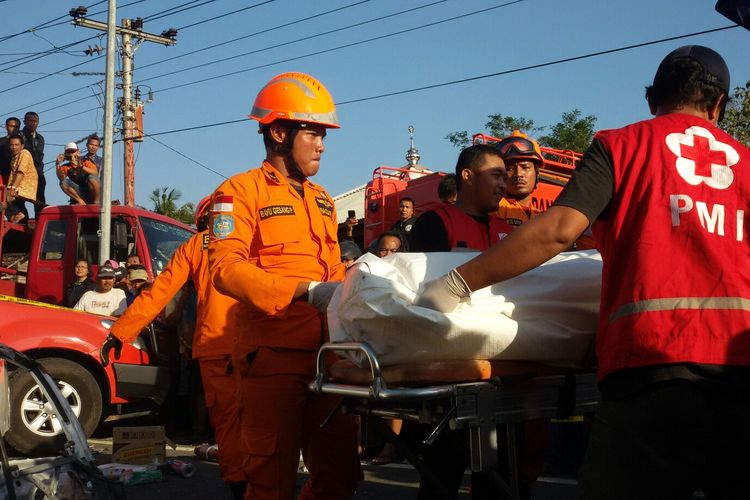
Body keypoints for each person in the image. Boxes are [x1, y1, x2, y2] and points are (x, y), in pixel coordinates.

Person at [417, 45, 750, 499]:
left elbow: (558, 230)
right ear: (718, 106)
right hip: (741, 373)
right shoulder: (745, 163)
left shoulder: (622, 146)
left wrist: (458, 283)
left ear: (652, 101)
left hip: (652, 371)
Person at [207, 72, 363, 499]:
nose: (322, 144)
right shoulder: (238, 192)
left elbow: (333, 272)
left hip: (328, 361)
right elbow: (225, 268)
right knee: (270, 481)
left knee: (340, 477)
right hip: (271, 359)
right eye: (313, 132)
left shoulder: (324, 199)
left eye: (323, 135)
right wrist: (304, 292)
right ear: (279, 131)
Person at [102, 196, 248, 498]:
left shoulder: (195, 247)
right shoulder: (252, 240)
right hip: (257, 344)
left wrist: (122, 331)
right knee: (265, 423)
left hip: (216, 347)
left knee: (229, 427)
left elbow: (159, 292)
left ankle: (242, 487)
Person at [409, 144, 511, 253]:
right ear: (468, 176)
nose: (503, 185)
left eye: (504, 179)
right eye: (496, 175)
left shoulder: (505, 229)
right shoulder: (434, 223)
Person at [492, 131, 544, 226]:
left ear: (537, 173)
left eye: (525, 167)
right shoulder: (493, 209)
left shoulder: (542, 218)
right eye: (510, 169)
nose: (519, 174)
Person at [1, 132, 38, 224]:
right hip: (17, 186)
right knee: (13, 203)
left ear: (22, 146)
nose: (14, 147)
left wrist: (12, 188)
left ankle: (16, 215)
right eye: (12, 145)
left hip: (24, 187)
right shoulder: (14, 158)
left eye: (16, 145)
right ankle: (19, 218)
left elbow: (20, 172)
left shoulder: (25, 153)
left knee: (3, 199)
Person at [21, 111, 45, 216]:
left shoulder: (40, 138)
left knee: (39, 198)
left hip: (37, 171)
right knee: (20, 197)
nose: (33, 123)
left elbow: (39, 156)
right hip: (22, 172)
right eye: (30, 121)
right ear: (24, 122)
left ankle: (39, 220)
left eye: (35, 121)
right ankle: (23, 220)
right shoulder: (19, 136)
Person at [0, 117, 21, 182]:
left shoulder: (23, 142)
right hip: (2, 176)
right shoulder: (1, 142)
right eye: (12, 126)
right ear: (6, 127)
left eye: (17, 127)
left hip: (17, 176)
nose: (14, 129)